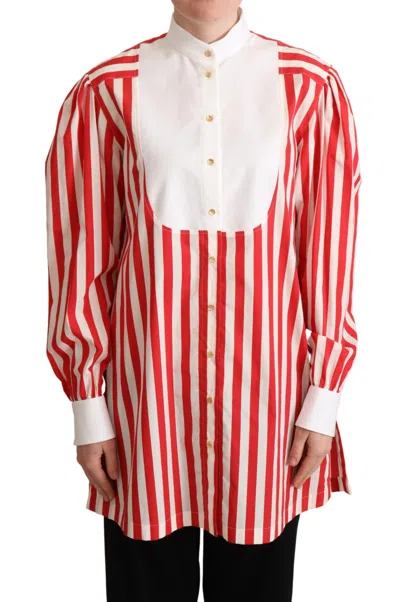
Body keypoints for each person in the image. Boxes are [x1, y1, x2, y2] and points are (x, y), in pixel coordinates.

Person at [44, 1, 361, 600]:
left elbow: (328, 253)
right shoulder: (106, 90)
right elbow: (80, 259)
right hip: (146, 411)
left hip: (267, 412)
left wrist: (324, 398)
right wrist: (87, 406)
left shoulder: (310, 87)